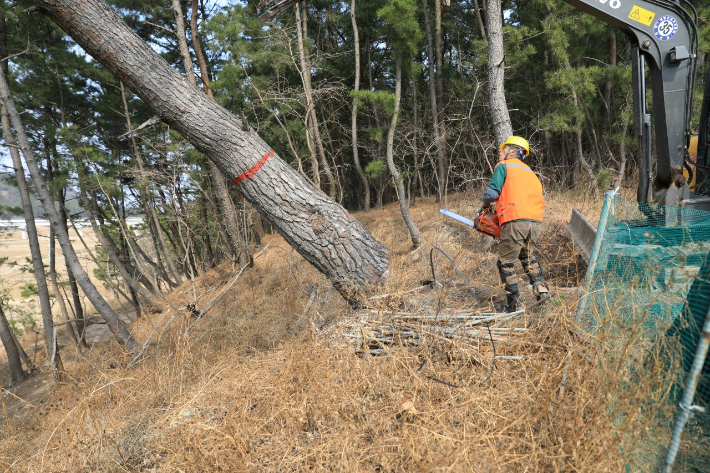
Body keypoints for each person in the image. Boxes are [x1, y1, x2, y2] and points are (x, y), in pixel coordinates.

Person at [482, 135, 549, 312]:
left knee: (505, 263)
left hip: (515, 220)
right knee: (528, 258)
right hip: (535, 223)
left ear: (512, 152)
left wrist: (483, 207)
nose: (499, 152)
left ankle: (514, 305)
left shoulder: (504, 166)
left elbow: (491, 195)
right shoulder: (530, 173)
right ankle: (542, 294)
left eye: (502, 149)